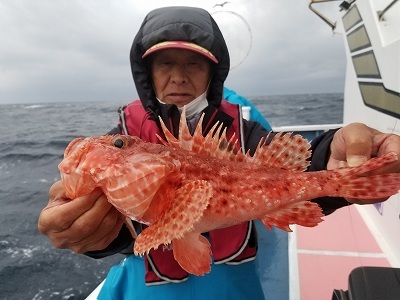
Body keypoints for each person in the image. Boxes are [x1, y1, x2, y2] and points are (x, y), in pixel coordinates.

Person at [38, 6, 400, 300]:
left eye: (193, 63)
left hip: (235, 286)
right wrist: (88, 233)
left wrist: (333, 158)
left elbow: (293, 163)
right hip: (149, 288)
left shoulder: (242, 124)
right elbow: (122, 222)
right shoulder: (126, 134)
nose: (178, 77)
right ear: (146, 72)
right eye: (165, 63)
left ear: (214, 71)